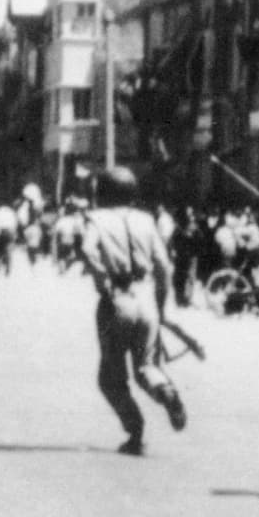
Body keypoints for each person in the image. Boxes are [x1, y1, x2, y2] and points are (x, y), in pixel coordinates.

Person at [77, 167, 188, 457]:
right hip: (146, 299)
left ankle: (135, 432)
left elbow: (87, 250)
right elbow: (164, 266)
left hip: (116, 300)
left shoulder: (95, 219)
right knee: (147, 367)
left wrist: (102, 277)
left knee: (111, 377)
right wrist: (161, 306)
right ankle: (166, 391)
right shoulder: (146, 220)